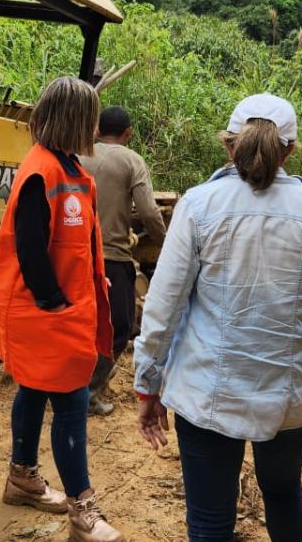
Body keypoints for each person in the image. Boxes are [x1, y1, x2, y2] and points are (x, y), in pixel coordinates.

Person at [132, 93, 302, 542]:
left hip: (204, 396)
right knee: (282, 494)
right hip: (290, 401)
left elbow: (164, 306)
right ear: (290, 149)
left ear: (228, 145)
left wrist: (148, 382)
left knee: (210, 520)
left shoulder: (198, 206)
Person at [0, 77, 125, 542]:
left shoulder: (67, 168)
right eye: (90, 117)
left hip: (61, 309)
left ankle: (22, 477)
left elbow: (70, 244)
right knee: (72, 401)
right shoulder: (41, 171)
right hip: (46, 313)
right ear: (74, 120)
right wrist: (55, 301)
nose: (94, 126)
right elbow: (29, 249)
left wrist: (89, 280)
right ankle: (83, 511)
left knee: (32, 389)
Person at [79, 106, 167, 416]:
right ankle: (88, 392)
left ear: (97, 129)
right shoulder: (132, 161)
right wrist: (167, 243)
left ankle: (69, 385)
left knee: (79, 324)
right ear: (127, 134)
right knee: (119, 326)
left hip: (75, 256)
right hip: (112, 258)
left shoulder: (76, 154)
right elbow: (148, 212)